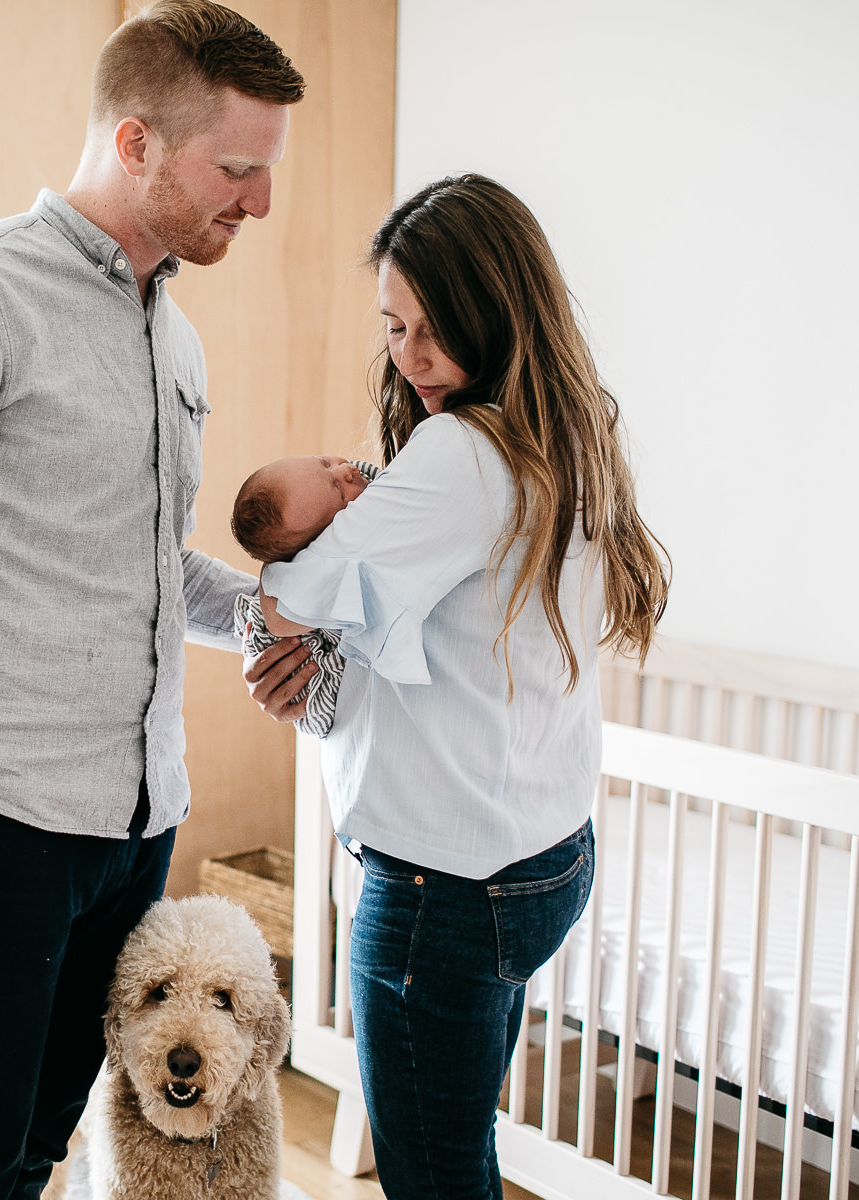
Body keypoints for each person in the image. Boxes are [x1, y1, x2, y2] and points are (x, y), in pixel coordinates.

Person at [0, 5, 304, 1198]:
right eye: (236, 169)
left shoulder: (175, 340)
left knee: (36, 1150)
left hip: (134, 836)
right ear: (135, 143)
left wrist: (270, 616)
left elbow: (148, 568)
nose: (260, 202)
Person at [244, 174, 670, 1197]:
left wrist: (289, 613)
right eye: (395, 327)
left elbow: (294, 595)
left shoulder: (462, 451)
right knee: (460, 1148)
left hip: (443, 889)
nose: (412, 357)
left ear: (501, 311)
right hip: (544, 858)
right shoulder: (567, 440)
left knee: (434, 1176)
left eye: (437, 328)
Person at [228, 454, 377, 736]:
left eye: (324, 462)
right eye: (340, 493)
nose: (346, 471)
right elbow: (282, 616)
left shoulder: (363, 479)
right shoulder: (327, 578)